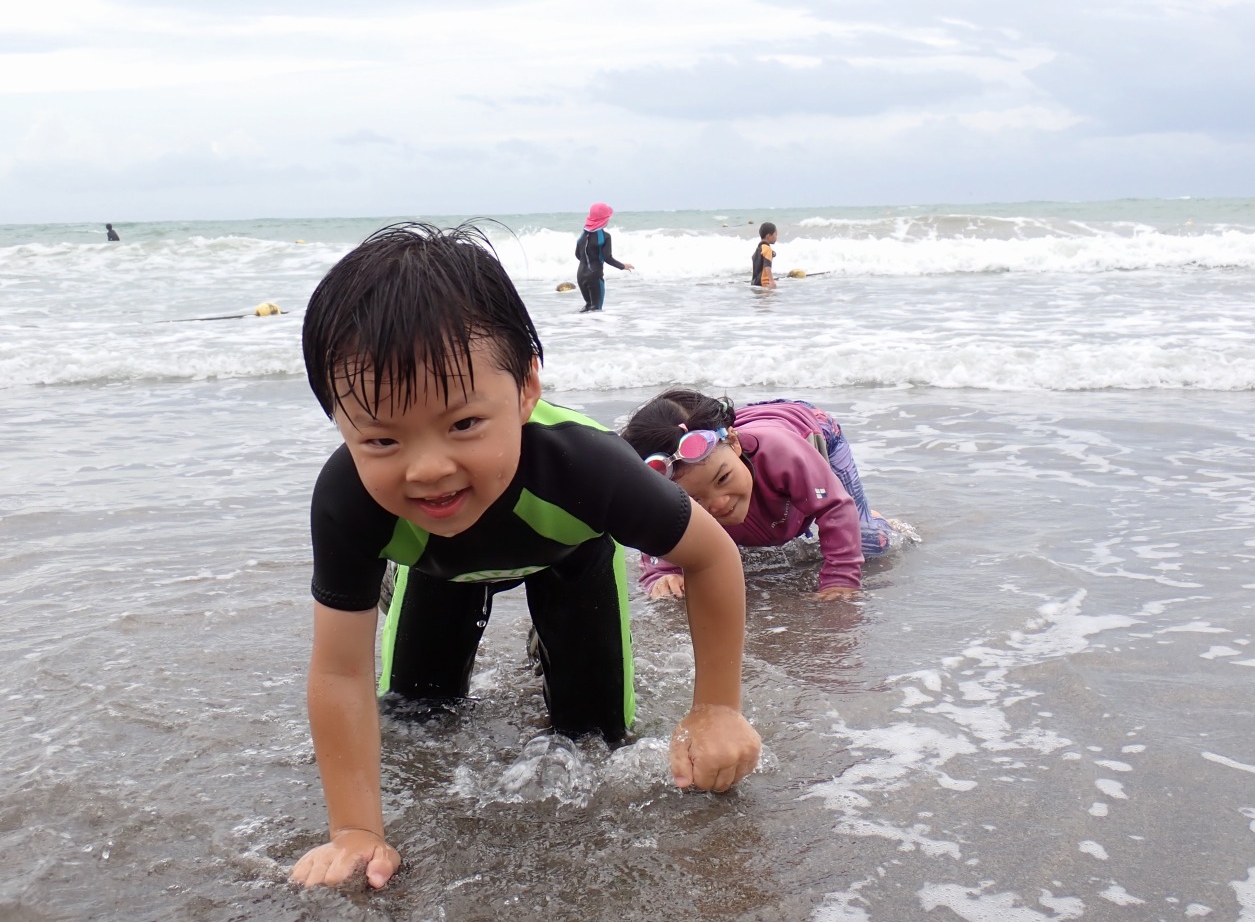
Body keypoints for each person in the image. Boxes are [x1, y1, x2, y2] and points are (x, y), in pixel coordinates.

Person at [291, 223, 760, 889]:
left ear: (526, 389)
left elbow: (711, 557)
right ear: (340, 424)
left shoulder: (587, 467)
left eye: (464, 424)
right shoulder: (348, 500)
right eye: (381, 441)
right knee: (415, 720)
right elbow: (340, 672)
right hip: (437, 571)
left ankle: (553, 643)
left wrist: (717, 707)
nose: (428, 470)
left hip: (571, 558)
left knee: (595, 742)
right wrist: (355, 830)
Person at [619, 389, 897, 601]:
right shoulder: (676, 485)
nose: (719, 502)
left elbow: (834, 507)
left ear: (734, 443)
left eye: (723, 479)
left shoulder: (782, 452)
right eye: (695, 499)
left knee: (868, 542)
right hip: (738, 436)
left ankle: (873, 519)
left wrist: (839, 580)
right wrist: (662, 572)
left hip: (810, 430)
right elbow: (656, 522)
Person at [574, 202, 633, 312]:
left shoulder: (583, 235)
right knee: (596, 309)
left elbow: (578, 255)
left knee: (588, 306)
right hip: (595, 276)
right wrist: (622, 266)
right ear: (604, 219)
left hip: (580, 276)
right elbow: (607, 258)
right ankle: (595, 324)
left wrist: (588, 261)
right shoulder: (605, 236)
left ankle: (579, 322)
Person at [750, 222, 777, 287]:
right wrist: (771, 281)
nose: (776, 237)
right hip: (764, 283)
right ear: (768, 236)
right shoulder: (767, 248)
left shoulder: (759, 248)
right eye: (775, 234)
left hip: (755, 282)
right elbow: (767, 265)